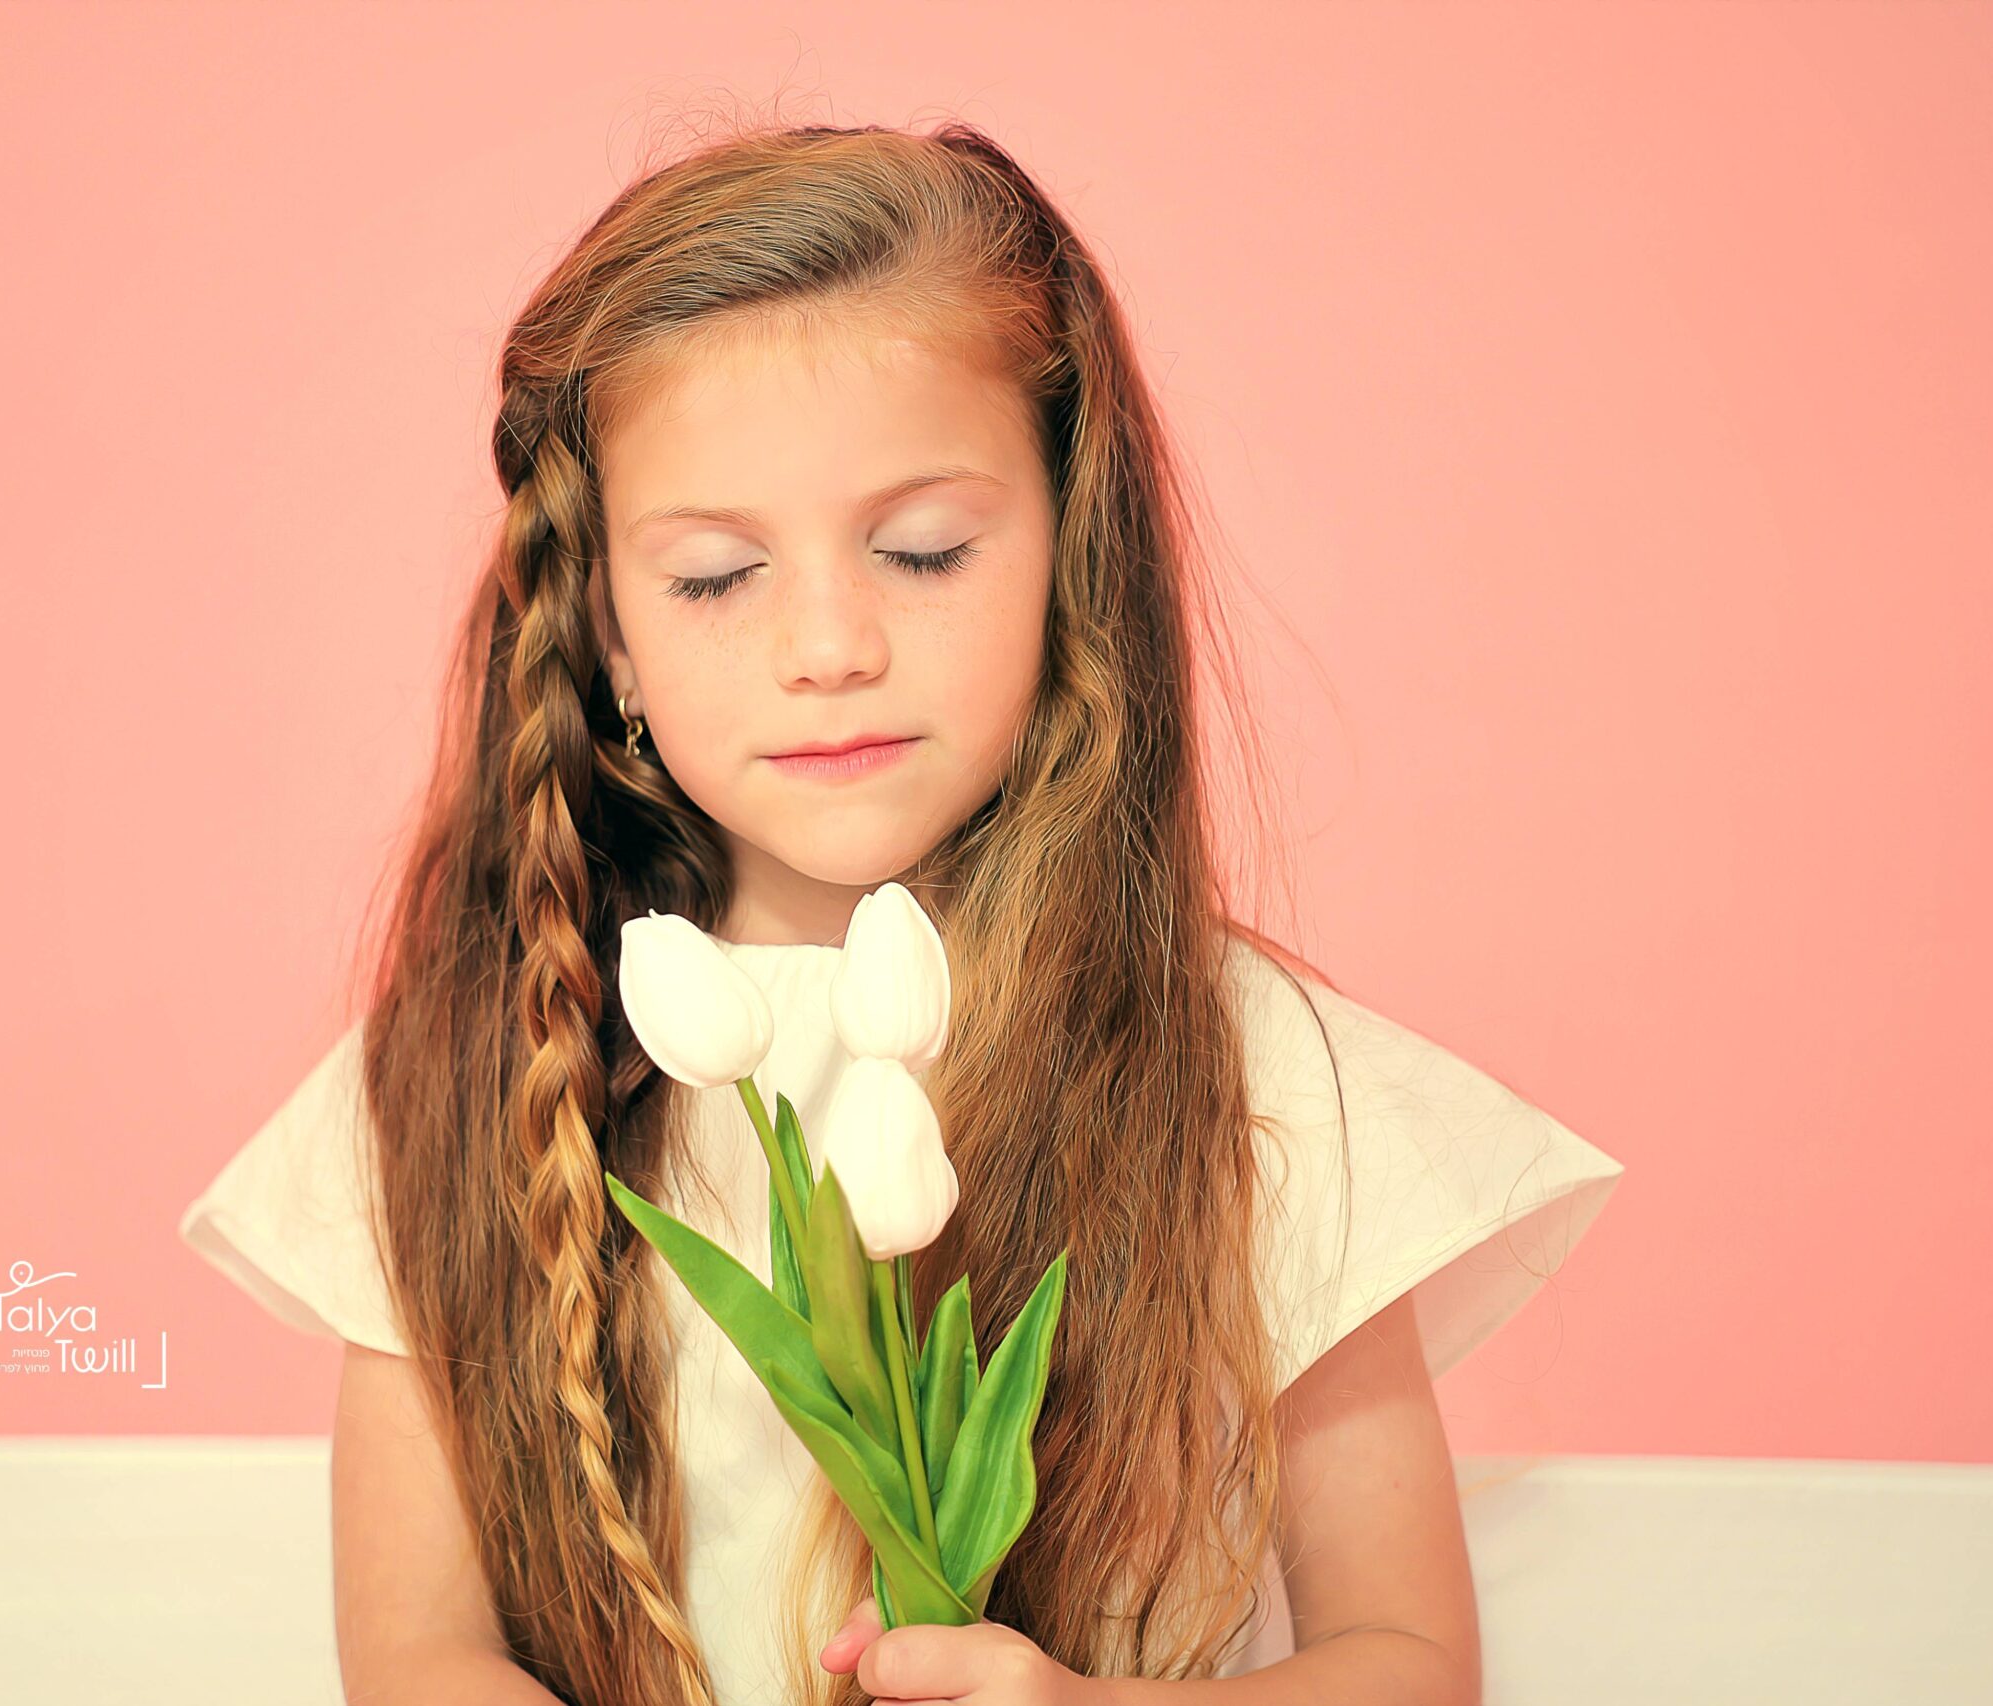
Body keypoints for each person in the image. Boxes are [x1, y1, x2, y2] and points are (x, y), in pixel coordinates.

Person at [177, 118, 1625, 1706]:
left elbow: (1410, 1661)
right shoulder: (469, 1076)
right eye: (715, 575)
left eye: (923, 551)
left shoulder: (1244, 1072)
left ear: (1070, 552)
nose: (830, 645)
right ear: (606, 637)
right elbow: (415, 1652)